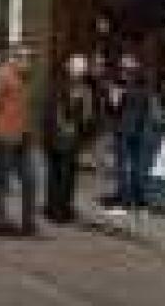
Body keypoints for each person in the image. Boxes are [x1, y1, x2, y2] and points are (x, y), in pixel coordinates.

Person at [0, 45, 36, 237]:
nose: (29, 63)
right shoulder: (4, 76)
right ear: (15, 58)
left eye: (30, 59)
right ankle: (0, 220)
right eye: (25, 58)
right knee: (1, 180)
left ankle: (28, 221)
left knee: (30, 179)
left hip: (23, 136)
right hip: (5, 136)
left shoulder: (26, 78)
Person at [43, 54, 97, 224]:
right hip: (69, 137)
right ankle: (62, 210)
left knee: (54, 173)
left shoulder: (55, 85)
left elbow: (48, 112)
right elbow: (86, 116)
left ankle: (52, 207)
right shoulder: (83, 90)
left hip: (53, 136)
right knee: (66, 175)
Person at [109, 54, 156, 219]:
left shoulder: (123, 86)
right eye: (122, 67)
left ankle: (125, 202)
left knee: (125, 168)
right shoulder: (143, 85)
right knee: (136, 168)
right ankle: (140, 204)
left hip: (126, 130)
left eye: (125, 68)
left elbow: (115, 107)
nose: (123, 71)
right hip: (138, 129)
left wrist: (117, 95)